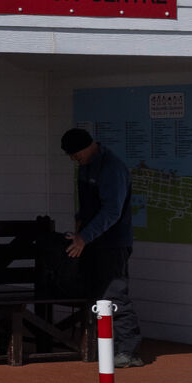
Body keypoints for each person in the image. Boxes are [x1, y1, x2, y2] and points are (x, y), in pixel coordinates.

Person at [62, 127, 145, 367]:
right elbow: (86, 206)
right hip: (91, 242)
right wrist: (79, 232)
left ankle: (128, 351)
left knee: (114, 294)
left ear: (86, 147)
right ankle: (105, 346)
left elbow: (111, 211)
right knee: (96, 294)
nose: (73, 158)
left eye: (75, 153)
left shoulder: (112, 168)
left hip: (112, 243)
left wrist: (84, 237)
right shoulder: (85, 166)